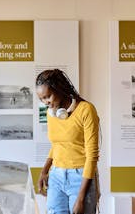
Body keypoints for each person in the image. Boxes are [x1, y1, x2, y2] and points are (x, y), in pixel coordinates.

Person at [35, 69, 100, 214]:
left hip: (81, 177)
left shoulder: (86, 110)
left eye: (48, 96)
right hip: (56, 176)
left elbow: (92, 156)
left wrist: (81, 199)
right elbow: (57, 144)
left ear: (59, 89)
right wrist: (45, 170)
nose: (46, 102)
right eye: (42, 99)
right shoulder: (51, 113)